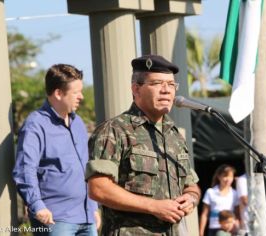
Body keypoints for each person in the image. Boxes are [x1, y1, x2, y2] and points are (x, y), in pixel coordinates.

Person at [86, 55, 201, 235]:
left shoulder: (174, 136)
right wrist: (153, 206)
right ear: (136, 89)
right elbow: (98, 188)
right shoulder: (115, 130)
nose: (166, 90)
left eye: (171, 85)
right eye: (157, 83)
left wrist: (191, 198)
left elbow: (191, 185)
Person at [13, 64, 98, 235]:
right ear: (58, 93)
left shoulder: (79, 123)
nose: (81, 96)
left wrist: (93, 207)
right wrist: (37, 205)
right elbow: (24, 169)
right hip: (55, 219)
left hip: (87, 218)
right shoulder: (35, 124)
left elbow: (87, 168)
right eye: (76, 92)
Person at [199, 165, 239, 236]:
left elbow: (237, 213)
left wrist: (235, 227)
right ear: (219, 176)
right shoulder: (210, 192)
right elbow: (205, 214)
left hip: (230, 230)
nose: (228, 179)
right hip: (214, 229)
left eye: (230, 176)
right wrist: (201, 232)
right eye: (225, 176)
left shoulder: (235, 193)